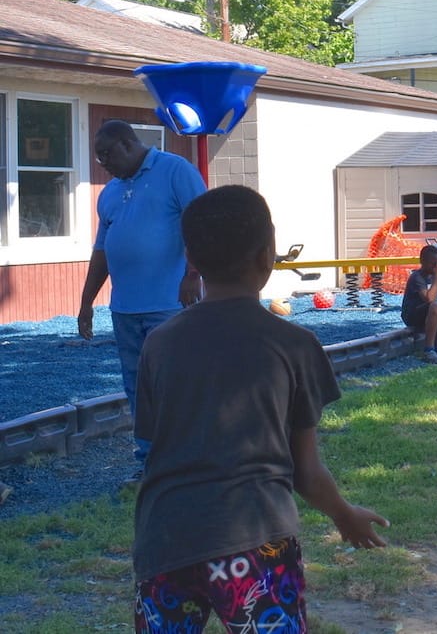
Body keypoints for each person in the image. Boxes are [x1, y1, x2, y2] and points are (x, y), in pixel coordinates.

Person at [132, 185, 388, 632]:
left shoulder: (158, 344)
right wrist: (344, 515)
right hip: (256, 544)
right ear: (268, 254)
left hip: (164, 542)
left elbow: (155, 440)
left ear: (191, 258)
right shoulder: (294, 346)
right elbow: (305, 472)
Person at [77, 120, 206, 483]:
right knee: (138, 387)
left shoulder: (175, 171)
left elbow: (201, 223)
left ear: (128, 144)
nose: (102, 162)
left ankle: (187, 462)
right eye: (98, 156)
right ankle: (150, 463)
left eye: (106, 154)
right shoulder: (111, 193)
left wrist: (192, 274)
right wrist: (87, 302)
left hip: (170, 304)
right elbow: (102, 250)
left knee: (175, 383)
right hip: (125, 310)